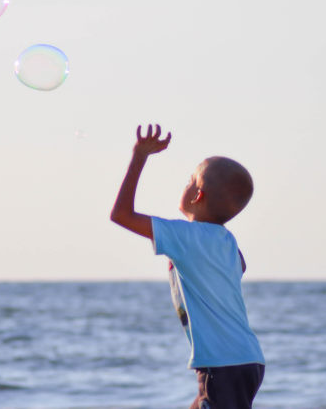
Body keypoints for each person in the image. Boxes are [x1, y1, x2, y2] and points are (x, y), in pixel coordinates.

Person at [110, 124, 265, 409]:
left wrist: (139, 157)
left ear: (197, 197)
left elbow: (121, 215)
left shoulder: (186, 236)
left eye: (189, 181)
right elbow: (240, 266)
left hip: (222, 365)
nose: (185, 186)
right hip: (246, 360)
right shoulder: (226, 240)